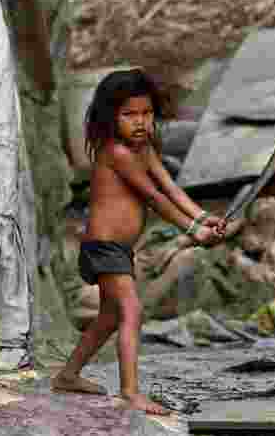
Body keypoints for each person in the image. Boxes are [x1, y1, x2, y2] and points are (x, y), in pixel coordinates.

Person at [51, 69, 227, 415]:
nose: (140, 122)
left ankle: (68, 375)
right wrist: (193, 230)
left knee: (109, 318)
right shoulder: (116, 152)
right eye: (129, 115)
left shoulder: (143, 148)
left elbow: (170, 187)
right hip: (103, 249)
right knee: (132, 311)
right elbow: (154, 197)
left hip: (118, 251)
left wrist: (202, 216)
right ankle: (130, 393)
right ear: (110, 117)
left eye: (146, 113)